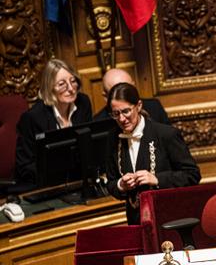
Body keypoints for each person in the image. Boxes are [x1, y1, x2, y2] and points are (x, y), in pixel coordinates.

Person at [105, 83, 200, 225]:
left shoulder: (166, 134)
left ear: (138, 106)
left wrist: (157, 179)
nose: (122, 119)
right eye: (116, 114)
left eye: (126, 111)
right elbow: (111, 183)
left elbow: (192, 175)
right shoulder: (113, 138)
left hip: (170, 219)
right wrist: (121, 185)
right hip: (136, 222)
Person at [14, 58, 93, 186]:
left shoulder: (83, 103)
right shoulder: (33, 118)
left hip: (79, 178)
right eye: (62, 84)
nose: (71, 89)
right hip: (45, 184)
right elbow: (25, 166)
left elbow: (90, 144)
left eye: (73, 81)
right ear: (50, 88)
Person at [94, 68, 170, 125]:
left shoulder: (154, 107)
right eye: (117, 93)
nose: (122, 119)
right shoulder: (97, 122)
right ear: (106, 97)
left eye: (127, 91)